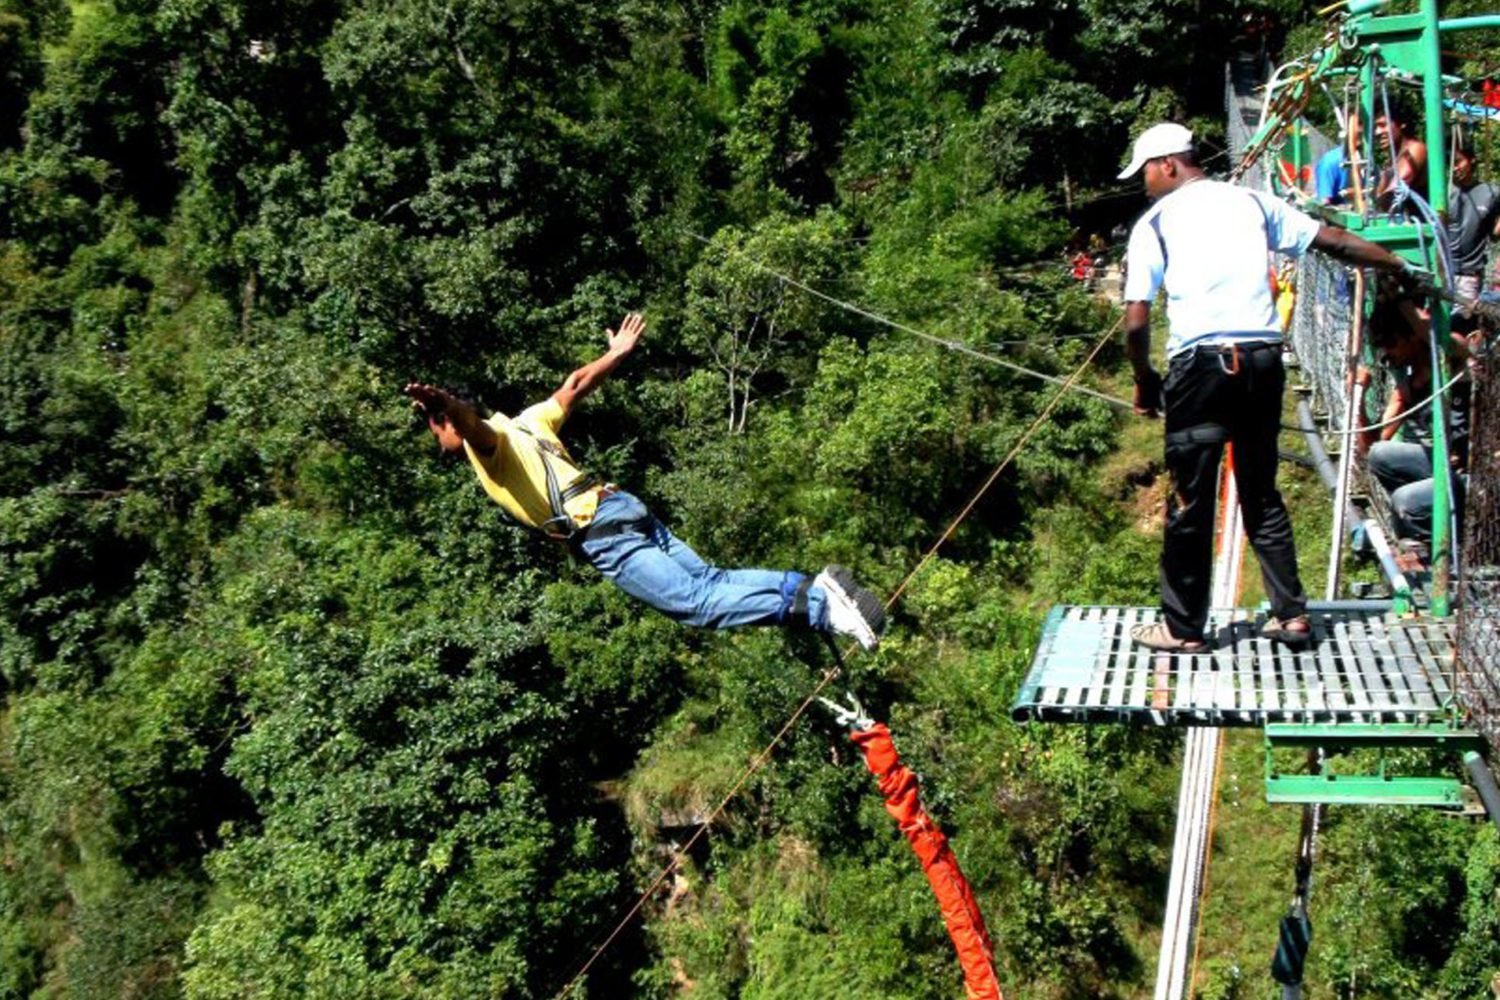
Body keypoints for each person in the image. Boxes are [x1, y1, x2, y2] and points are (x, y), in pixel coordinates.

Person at [404, 313, 888, 650]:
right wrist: (615, 353)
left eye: (434, 424)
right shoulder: (528, 420)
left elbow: (473, 427)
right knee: (711, 581)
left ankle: (826, 608)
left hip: (601, 531)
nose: (435, 433)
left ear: (447, 420)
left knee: (698, 605)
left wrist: (448, 409)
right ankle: (816, 588)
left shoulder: (486, 447)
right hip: (622, 508)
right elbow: (574, 386)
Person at [1118, 122, 1418, 652]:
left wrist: (1145, 382)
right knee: (1260, 488)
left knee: (1190, 499)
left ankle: (1183, 629)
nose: (1143, 184)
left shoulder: (1156, 222)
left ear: (1168, 164)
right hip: (1262, 360)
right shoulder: (1254, 202)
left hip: (1201, 367)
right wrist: (1397, 263)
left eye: (1145, 172)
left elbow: (1137, 317)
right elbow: (1335, 241)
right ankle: (1290, 616)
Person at [1358, 285, 1472, 558]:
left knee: (1404, 501)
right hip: (1446, 470)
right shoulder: (1409, 386)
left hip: (1473, 475)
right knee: (1381, 454)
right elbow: (1370, 446)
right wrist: (1358, 396)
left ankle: (1444, 540)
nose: (1385, 354)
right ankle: (1426, 523)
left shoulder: (1454, 361)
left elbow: (1441, 340)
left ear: (1411, 336)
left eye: (1389, 343)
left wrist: (1403, 297)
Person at [1447, 138, 1500, 304]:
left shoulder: (1490, 193)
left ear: (1471, 160)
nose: (1454, 168)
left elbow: (1494, 234)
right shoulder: (1443, 192)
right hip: (1441, 271)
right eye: (1450, 164)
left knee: (1461, 325)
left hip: (1468, 277)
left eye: (1458, 162)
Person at [1374, 101, 1428, 207]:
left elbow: (1393, 193)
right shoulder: (1392, 159)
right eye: (1376, 127)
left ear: (1402, 123)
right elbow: (1379, 194)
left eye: (1383, 125)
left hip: (1421, 221)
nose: (1377, 132)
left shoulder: (1415, 149)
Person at [1314, 114, 1363, 206]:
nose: (1359, 140)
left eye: (1361, 135)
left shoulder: (1367, 160)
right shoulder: (1330, 162)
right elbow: (1325, 201)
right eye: (1357, 134)